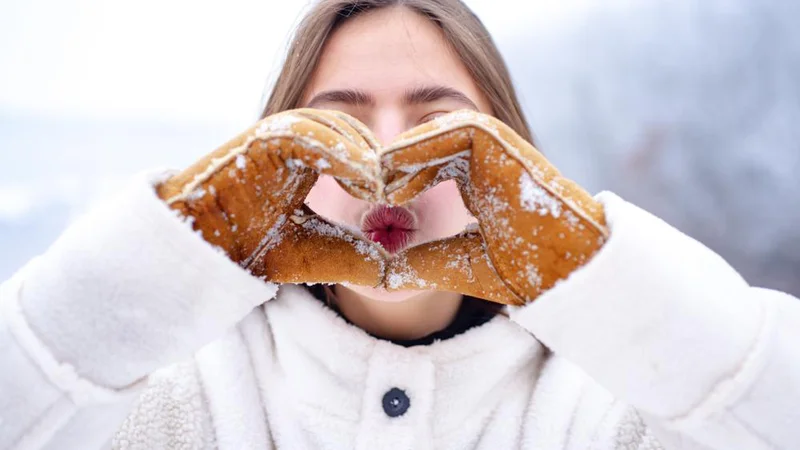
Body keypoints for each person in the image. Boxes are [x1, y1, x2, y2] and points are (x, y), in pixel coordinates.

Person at [1, 0, 798, 448]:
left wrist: (589, 269)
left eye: (438, 124)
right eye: (333, 127)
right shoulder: (169, 398)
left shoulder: (616, 405)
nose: (385, 161)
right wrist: (158, 264)